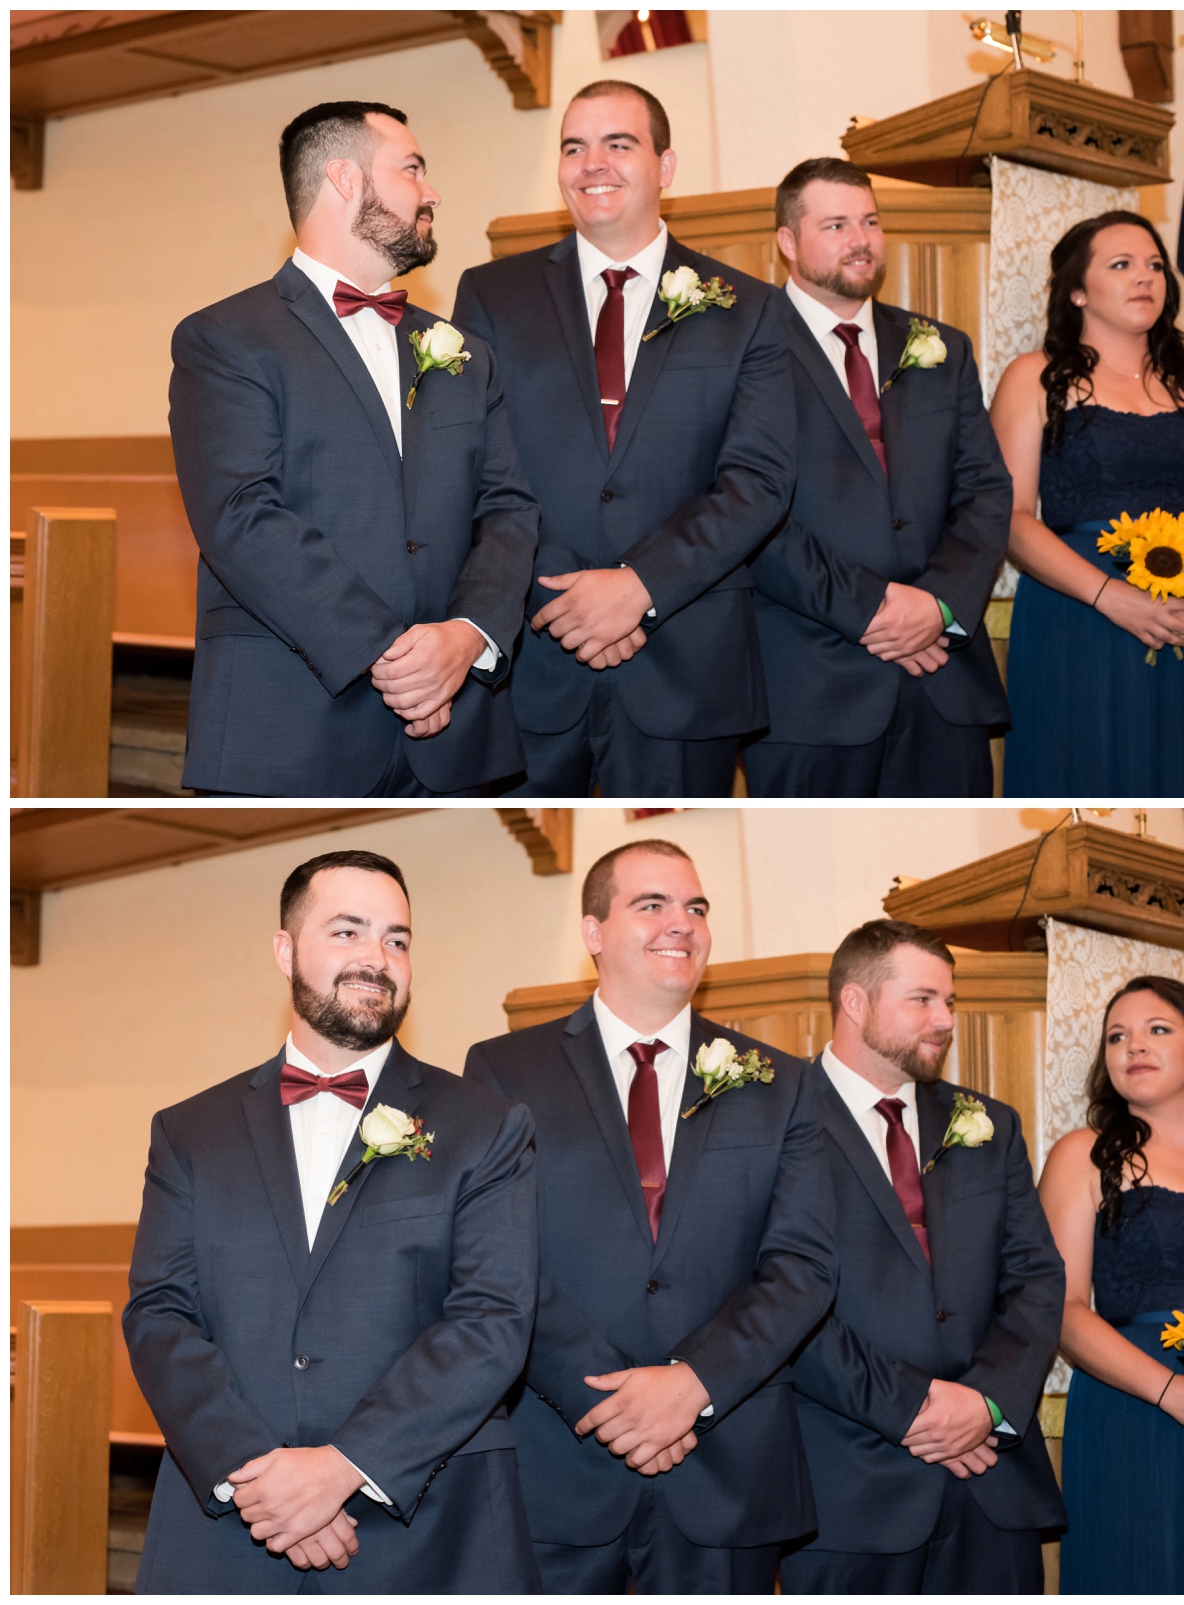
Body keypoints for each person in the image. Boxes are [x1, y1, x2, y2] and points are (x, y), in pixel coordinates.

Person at [123, 849, 540, 1593]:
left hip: (430, 1527)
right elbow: (159, 1314)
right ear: (284, 949)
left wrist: (346, 1466)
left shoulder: (486, 1125)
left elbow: (492, 1319)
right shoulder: (190, 1131)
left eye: (397, 938)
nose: (376, 959)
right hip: (231, 1522)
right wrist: (258, 1478)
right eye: (347, 932)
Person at [463, 839, 836, 1592]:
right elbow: (498, 1262)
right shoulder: (504, 1071)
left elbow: (803, 1265)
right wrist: (615, 1405)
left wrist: (692, 1383)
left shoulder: (782, 1082)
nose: (683, 922)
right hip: (560, 1467)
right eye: (653, 903)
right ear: (594, 930)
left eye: (696, 906)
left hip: (727, 1469)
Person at [170, 102, 538, 797]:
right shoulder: (225, 338)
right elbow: (243, 516)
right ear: (343, 177)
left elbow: (509, 510)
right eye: (412, 170)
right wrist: (396, 657)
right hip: (291, 728)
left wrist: (464, 637)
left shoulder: (465, 352)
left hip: (460, 734)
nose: (432, 193)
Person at [453, 82, 807, 798]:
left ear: (665, 167)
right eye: (574, 147)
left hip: (686, 665)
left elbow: (759, 480)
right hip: (534, 659)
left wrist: (640, 586)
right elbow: (477, 464)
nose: (593, 164)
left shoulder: (751, 308)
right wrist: (569, 596)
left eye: (619, 144)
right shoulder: (492, 295)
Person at [779, 919, 1066, 1594]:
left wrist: (985, 1401)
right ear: (855, 1002)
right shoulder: (773, 1122)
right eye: (922, 999)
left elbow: (1035, 1279)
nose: (945, 1018)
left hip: (991, 1482)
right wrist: (914, 1405)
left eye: (951, 1001)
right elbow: (774, 1294)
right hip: (848, 1490)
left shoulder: (988, 1124)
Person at [745, 157, 1011, 798]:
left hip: (942, 681)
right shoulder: (739, 351)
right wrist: (874, 611)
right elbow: (745, 509)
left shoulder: (941, 347)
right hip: (808, 689)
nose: (860, 240)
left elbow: (984, 492)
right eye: (835, 224)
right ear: (788, 241)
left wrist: (937, 606)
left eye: (869, 221)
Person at [991, 211, 1184, 796]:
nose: (1145, 278)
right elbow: (1010, 517)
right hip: (1077, 616)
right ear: (1077, 290)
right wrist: (1114, 598)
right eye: (1122, 265)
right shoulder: (1035, 377)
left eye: (1155, 265)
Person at [1038, 976, 1184, 1596]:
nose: (1134, 1046)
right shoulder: (1086, 1154)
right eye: (1116, 1037)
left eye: (1158, 1029)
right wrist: (1175, 1394)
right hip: (1135, 1402)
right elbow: (1063, 1310)